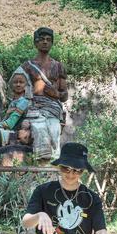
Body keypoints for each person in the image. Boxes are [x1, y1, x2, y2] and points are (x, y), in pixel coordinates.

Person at [20, 27, 69, 161]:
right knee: (39, 127)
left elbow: (65, 96)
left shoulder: (58, 66)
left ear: (52, 43)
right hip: (33, 107)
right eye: (41, 39)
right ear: (36, 43)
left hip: (53, 108)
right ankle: (41, 165)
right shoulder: (28, 66)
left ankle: (52, 170)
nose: (45, 42)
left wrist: (56, 94)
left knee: (54, 131)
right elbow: (17, 90)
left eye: (48, 40)